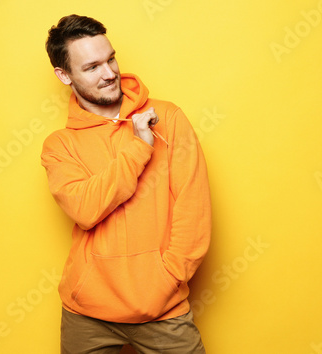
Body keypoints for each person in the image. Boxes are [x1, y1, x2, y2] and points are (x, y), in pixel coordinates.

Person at [41, 14, 211, 354]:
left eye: (111, 59)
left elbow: (193, 208)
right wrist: (139, 146)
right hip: (86, 314)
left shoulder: (168, 117)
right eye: (91, 67)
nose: (109, 74)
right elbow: (85, 210)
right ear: (64, 75)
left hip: (163, 310)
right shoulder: (60, 145)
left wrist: (168, 278)